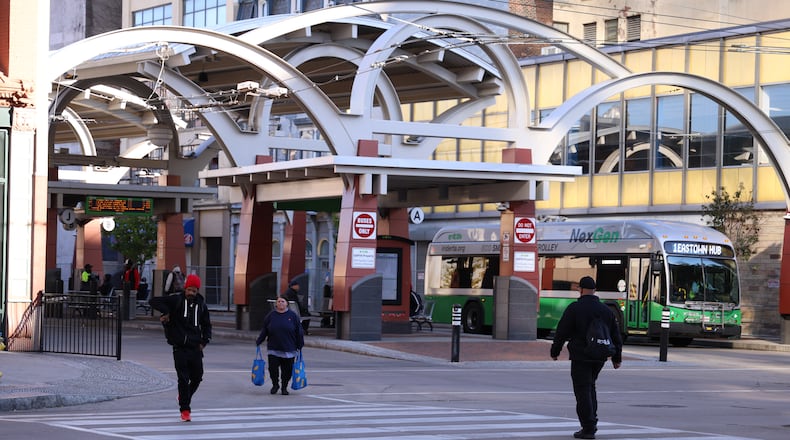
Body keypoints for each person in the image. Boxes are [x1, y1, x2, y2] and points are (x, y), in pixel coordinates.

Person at [550, 276, 622, 440]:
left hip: (581, 356)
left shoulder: (575, 308)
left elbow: (562, 332)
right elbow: (616, 336)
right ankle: (592, 422)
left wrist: (555, 351)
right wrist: (617, 358)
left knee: (582, 390)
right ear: (595, 290)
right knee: (590, 388)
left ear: (580, 289)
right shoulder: (606, 310)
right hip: (599, 356)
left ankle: (588, 428)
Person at [149, 274, 212, 422]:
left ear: (198, 291)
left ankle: (184, 396)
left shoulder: (201, 305)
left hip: (196, 347)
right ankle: (185, 410)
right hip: (179, 347)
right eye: (189, 290)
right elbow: (153, 301)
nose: (191, 293)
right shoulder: (176, 300)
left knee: (197, 377)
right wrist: (167, 312)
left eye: (194, 291)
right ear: (185, 288)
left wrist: (204, 341)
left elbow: (207, 325)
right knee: (183, 379)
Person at [255, 296, 304, 396]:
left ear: (287, 304)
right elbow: (265, 329)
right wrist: (260, 340)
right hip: (274, 347)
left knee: (287, 370)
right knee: (273, 369)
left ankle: (284, 387)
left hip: (289, 348)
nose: (280, 303)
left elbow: (299, 331)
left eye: (283, 301)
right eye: (279, 301)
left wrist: (300, 344)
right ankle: (275, 385)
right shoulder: (271, 316)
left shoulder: (293, 316)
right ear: (276, 304)